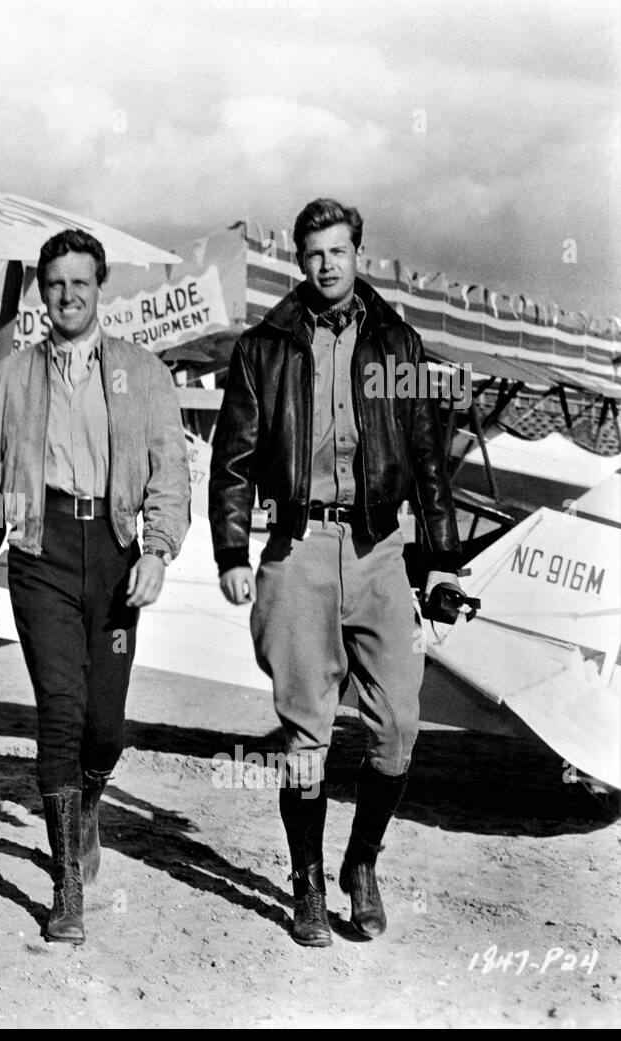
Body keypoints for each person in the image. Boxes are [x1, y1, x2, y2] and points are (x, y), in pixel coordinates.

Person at [209, 198, 462, 947]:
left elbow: (426, 459)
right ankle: (308, 882)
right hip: (299, 550)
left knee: (398, 729)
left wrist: (441, 563)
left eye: (338, 251)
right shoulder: (265, 347)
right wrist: (229, 553)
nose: (326, 265)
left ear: (360, 253)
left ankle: (361, 861)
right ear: (300, 260)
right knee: (303, 736)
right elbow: (232, 460)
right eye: (313, 253)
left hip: (381, 551)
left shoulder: (397, 345)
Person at [0, 229, 191, 944]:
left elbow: (170, 472)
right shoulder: (11, 376)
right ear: (40, 290)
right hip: (42, 551)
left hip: (117, 551)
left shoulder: (143, 373)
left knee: (105, 725)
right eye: (55, 284)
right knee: (60, 709)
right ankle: (65, 883)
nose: (67, 295)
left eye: (80, 283)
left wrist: (158, 549)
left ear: (102, 288)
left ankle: (86, 800)